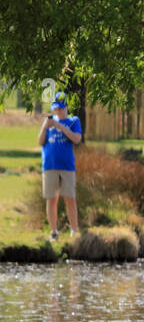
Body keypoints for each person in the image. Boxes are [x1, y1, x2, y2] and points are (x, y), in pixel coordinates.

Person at [38, 91, 82, 241]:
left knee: (70, 198)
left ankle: (74, 231)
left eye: (61, 108)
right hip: (49, 166)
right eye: (55, 108)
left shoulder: (73, 121)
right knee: (51, 199)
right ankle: (53, 232)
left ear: (66, 107)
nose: (58, 111)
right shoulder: (48, 123)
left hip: (67, 167)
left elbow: (77, 139)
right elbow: (40, 141)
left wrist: (60, 126)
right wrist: (45, 127)